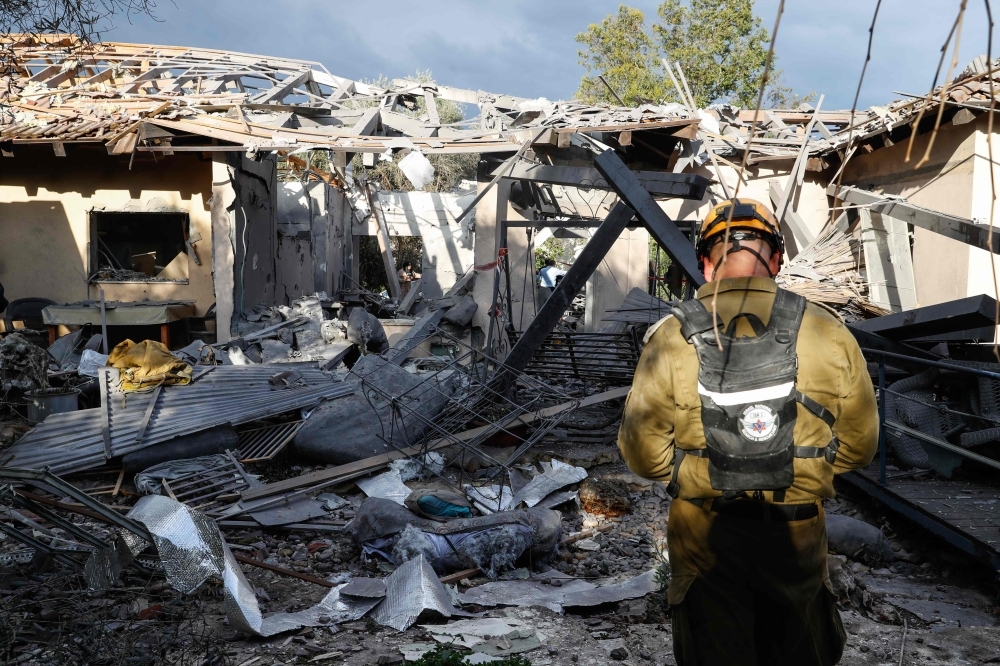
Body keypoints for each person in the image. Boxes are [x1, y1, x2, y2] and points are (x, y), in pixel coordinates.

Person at [618, 198, 878, 666]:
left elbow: (642, 455)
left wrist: (702, 471)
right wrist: (801, 469)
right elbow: (860, 447)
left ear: (705, 261)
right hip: (795, 534)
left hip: (704, 534)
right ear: (776, 259)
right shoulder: (827, 330)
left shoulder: (671, 335)